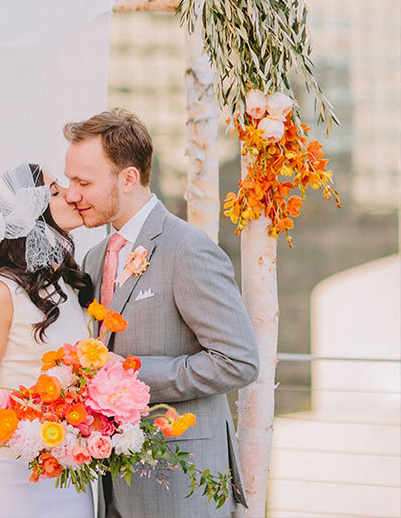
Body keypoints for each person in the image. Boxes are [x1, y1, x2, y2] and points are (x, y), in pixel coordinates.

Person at [63, 109, 260, 518]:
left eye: (83, 182)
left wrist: (129, 377)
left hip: (182, 487)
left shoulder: (188, 249)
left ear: (129, 178)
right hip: (114, 483)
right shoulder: (96, 256)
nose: (71, 194)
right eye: (69, 181)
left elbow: (238, 361)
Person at [0, 162, 96, 518]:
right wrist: (41, 435)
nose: (71, 194)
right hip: (9, 475)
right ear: (28, 215)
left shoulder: (65, 284)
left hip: (65, 475)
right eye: (54, 192)